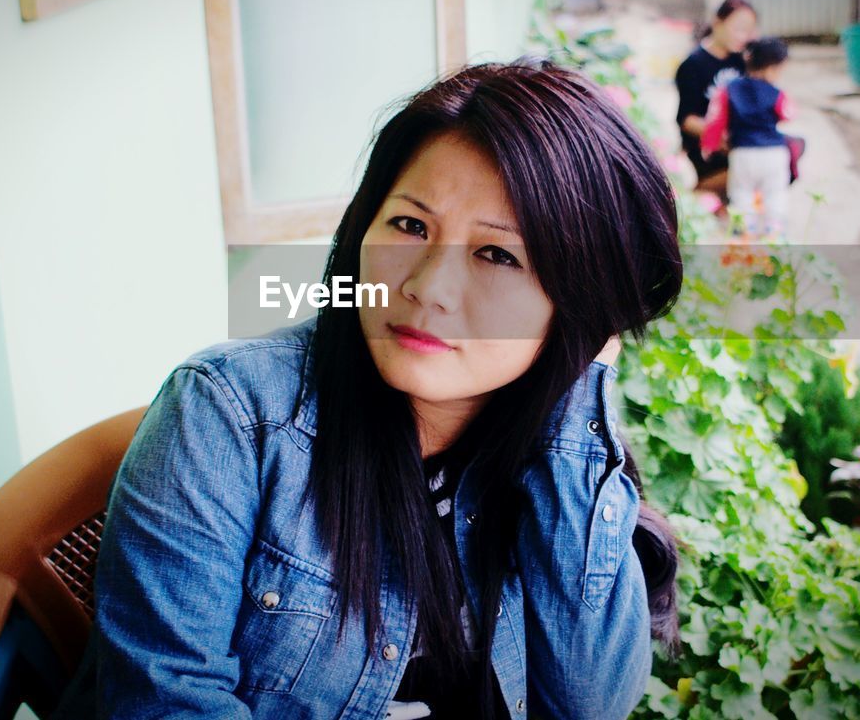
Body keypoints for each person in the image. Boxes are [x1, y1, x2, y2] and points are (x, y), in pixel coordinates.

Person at [53, 60, 684, 719]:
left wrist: (577, 392)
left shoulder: (545, 449)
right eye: (410, 226)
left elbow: (590, 703)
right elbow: (165, 703)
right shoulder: (226, 415)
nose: (425, 287)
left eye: (498, 255)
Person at [701, 36, 794, 237]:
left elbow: (715, 120)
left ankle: (744, 239)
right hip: (774, 153)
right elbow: (787, 114)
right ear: (772, 67)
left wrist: (709, 146)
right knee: (775, 196)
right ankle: (774, 238)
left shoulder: (729, 90)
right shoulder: (776, 93)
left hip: (743, 153)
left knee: (741, 196)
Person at [674, 0, 759, 201]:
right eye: (739, 28)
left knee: (787, 151)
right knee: (758, 165)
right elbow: (686, 119)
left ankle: (721, 194)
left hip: (739, 140)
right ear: (718, 23)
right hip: (708, 144)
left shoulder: (743, 61)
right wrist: (722, 136)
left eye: (749, 30)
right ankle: (699, 193)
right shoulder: (692, 65)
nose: (744, 36)